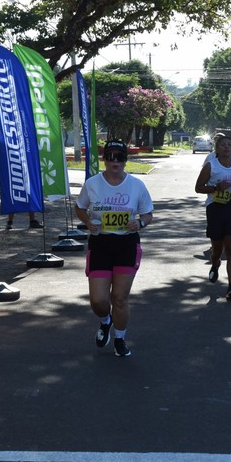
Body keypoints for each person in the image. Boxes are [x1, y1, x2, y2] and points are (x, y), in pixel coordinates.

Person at [75, 140, 154, 357]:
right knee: (99, 301)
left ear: (126, 160)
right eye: (110, 156)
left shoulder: (137, 185)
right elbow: (79, 207)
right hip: (100, 243)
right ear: (104, 159)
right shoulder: (92, 184)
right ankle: (105, 321)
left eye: (120, 157)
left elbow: (148, 213)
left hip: (126, 244)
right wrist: (88, 222)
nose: (115, 161)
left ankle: (120, 339)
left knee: (119, 297)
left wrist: (141, 223)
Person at [194, 135, 231, 301]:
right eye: (222, 145)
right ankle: (215, 262)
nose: (226, 147)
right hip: (215, 208)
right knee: (217, 249)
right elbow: (198, 188)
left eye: (229, 144)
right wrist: (216, 187)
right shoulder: (211, 165)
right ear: (216, 149)